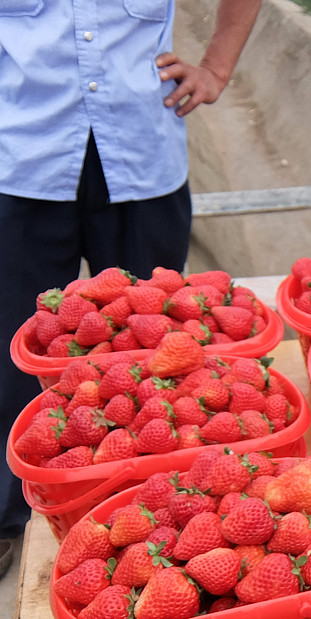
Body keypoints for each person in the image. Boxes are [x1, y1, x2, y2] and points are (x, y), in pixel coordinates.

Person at [0, 0, 262, 574]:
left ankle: (157, 517)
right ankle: (7, 512)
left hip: (141, 156)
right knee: (14, 349)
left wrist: (216, 68)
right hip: (21, 158)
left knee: (159, 356)